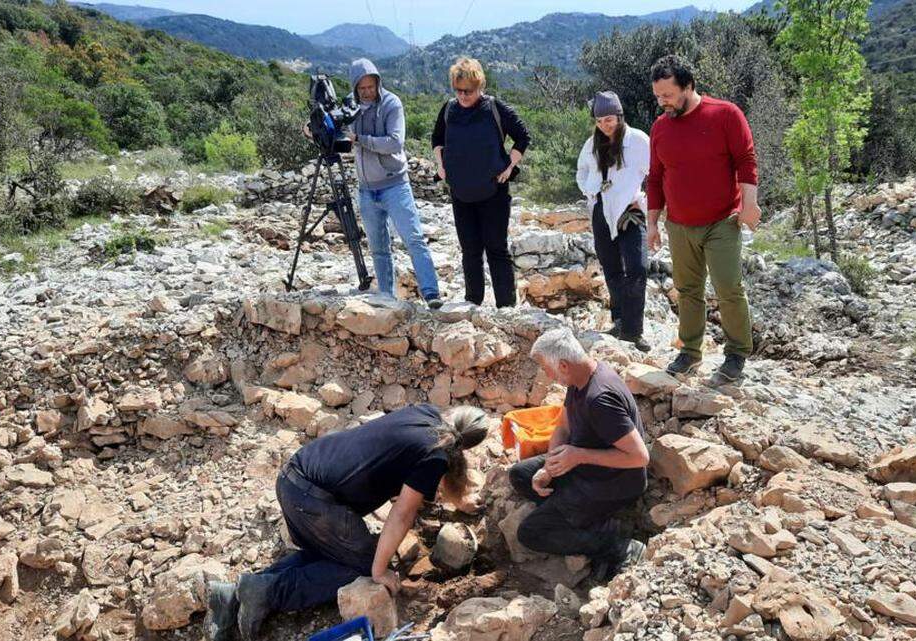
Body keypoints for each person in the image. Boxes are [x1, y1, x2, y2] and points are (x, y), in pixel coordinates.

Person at [204, 404, 490, 640]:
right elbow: (403, 513)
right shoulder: (435, 455)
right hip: (314, 501)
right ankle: (269, 592)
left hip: (295, 478)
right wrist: (378, 571)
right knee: (360, 565)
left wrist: (460, 501)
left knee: (326, 553)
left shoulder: (425, 413)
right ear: (466, 447)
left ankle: (234, 595)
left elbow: (431, 463)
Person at [645, 54, 759, 384]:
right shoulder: (660, 127)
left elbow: (746, 160)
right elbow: (655, 178)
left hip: (722, 220)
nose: (662, 102)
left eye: (667, 95)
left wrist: (749, 205)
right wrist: (653, 223)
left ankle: (736, 353)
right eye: (657, 96)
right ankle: (690, 351)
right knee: (687, 289)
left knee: (728, 287)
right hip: (679, 224)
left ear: (689, 86)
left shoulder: (725, 114)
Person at [508, 327, 649, 582]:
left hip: (612, 482)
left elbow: (639, 457)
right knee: (520, 474)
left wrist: (579, 455)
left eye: (547, 369)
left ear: (563, 365)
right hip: (584, 466)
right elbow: (563, 426)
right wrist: (549, 467)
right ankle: (576, 514)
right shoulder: (579, 377)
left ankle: (618, 545)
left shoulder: (600, 399)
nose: (547, 376)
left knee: (531, 533)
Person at [305, 58, 442, 309]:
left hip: (394, 184)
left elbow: (394, 142)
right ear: (355, 86)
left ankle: (431, 293)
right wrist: (315, 128)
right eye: (362, 88)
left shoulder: (392, 103)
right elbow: (339, 138)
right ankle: (386, 298)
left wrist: (360, 138)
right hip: (367, 189)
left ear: (378, 82)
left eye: (371, 86)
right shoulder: (350, 105)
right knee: (379, 247)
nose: (367, 92)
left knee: (413, 239)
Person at [431, 56, 531, 308]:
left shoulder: (495, 108)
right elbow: (437, 139)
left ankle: (506, 308)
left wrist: (510, 165)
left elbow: (522, 136)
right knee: (470, 251)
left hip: (493, 192)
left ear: (480, 86)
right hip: (461, 192)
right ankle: (472, 303)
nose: (463, 95)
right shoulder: (449, 109)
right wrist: (441, 166)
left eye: (469, 90)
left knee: (496, 249)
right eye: (458, 90)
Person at [576, 91, 651, 353]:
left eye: (609, 119)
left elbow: (657, 173)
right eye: (599, 121)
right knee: (611, 267)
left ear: (619, 116)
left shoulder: (639, 140)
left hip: (630, 212)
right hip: (601, 211)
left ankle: (634, 331)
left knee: (638, 267)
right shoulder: (591, 144)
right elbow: (582, 171)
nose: (605, 125)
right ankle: (620, 322)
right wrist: (591, 191)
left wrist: (644, 201)